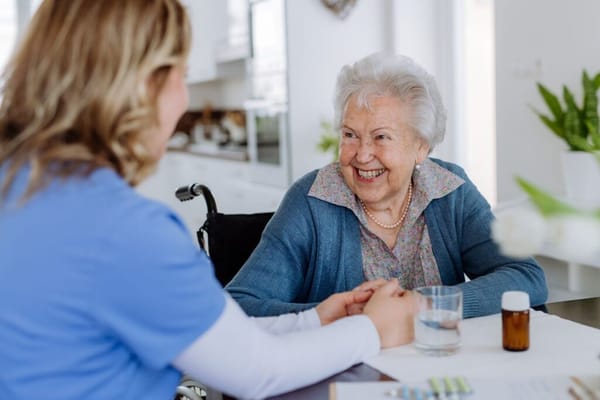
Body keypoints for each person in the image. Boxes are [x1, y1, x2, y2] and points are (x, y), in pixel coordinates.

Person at [0, 2, 418, 399]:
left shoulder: (19, 185)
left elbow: (210, 337)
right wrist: (372, 330)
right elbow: (257, 369)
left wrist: (315, 320)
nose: (183, 99)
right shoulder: (123, 231)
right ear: (143, 85)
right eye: (180, 76)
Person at [226, 52, 548, 318]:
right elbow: (240, 305)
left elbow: (526, 277)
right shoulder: (311, 200)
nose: (362, 155)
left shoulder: (450, 191)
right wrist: (354, 315)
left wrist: (423, 305)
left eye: (381, 137)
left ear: (421, 146)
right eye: (350, 135)